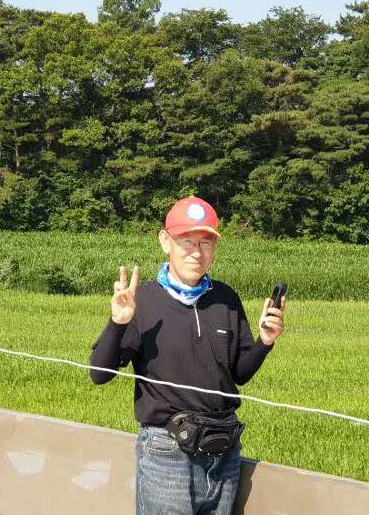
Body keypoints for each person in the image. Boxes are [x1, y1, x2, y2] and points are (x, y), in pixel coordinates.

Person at [90, 196, 286, 515]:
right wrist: (118, 322)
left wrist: (264, 342)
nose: (197, 251)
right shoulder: (144, 301)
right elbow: (99, 374)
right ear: (165, 241)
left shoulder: (226, 299)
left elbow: (239, 373)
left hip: (223, 449)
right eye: (187, 241)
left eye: (205, 242)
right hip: (167, 452)